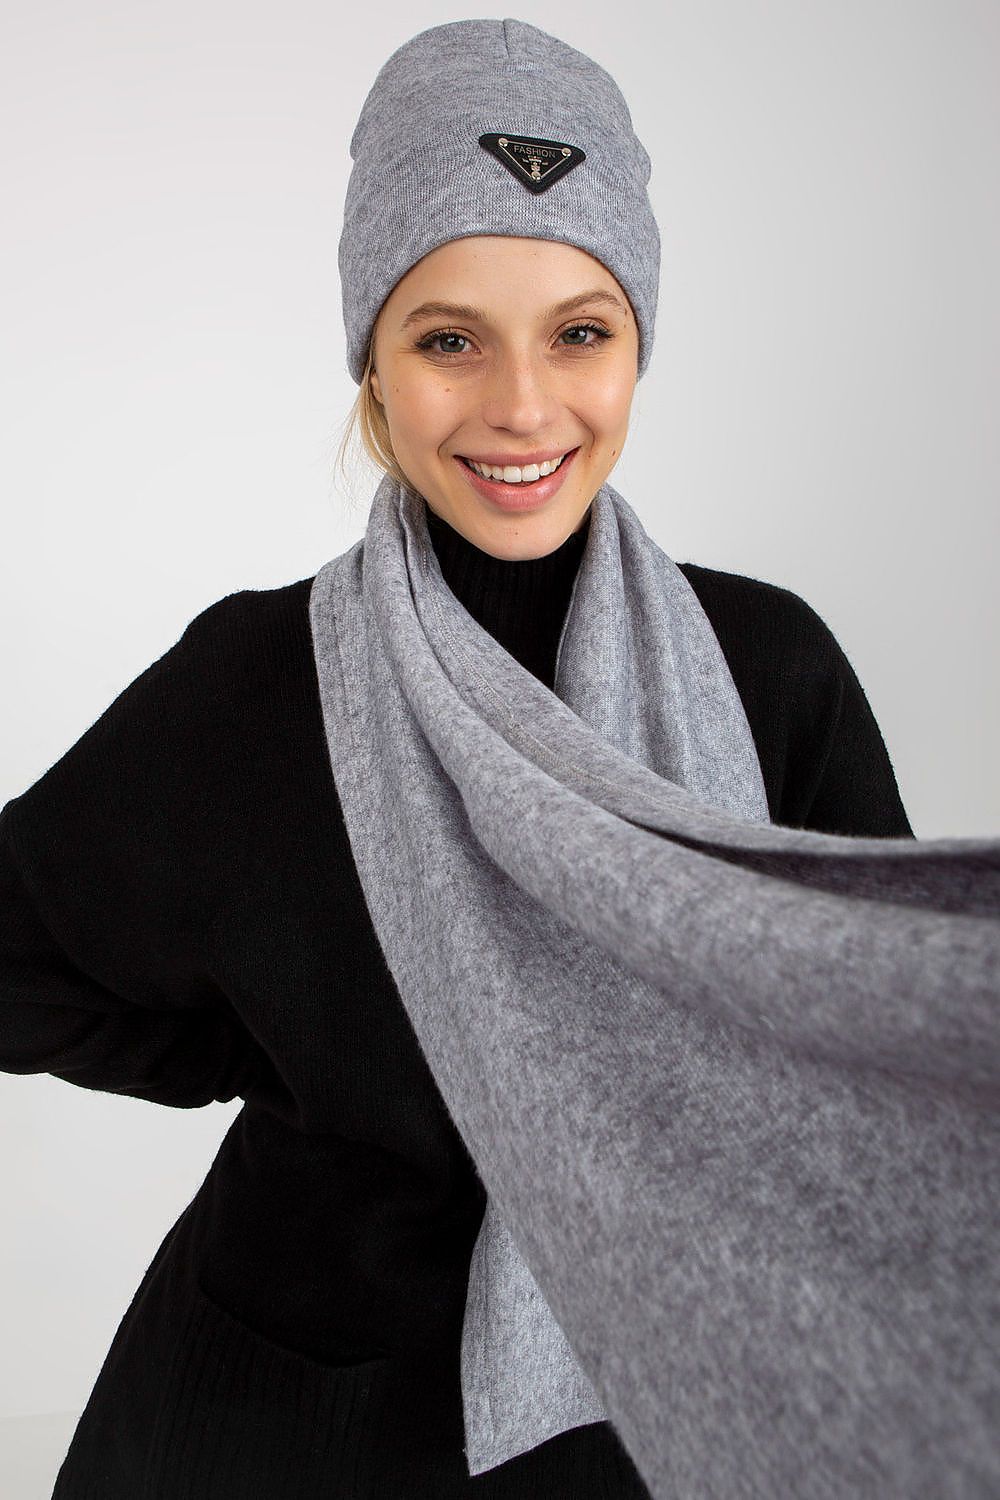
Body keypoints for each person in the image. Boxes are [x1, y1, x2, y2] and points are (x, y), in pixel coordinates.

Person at [1, 18, 917, 1500]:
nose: (522, 407)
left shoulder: (771, 675)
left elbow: (872, 1074)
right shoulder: (254, 682)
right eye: (448, 339)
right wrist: (270, 1041)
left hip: (659, 1418)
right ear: (370, 354)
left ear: (638, 346)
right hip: (286, 1422)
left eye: (579, 330)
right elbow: (19, 952)